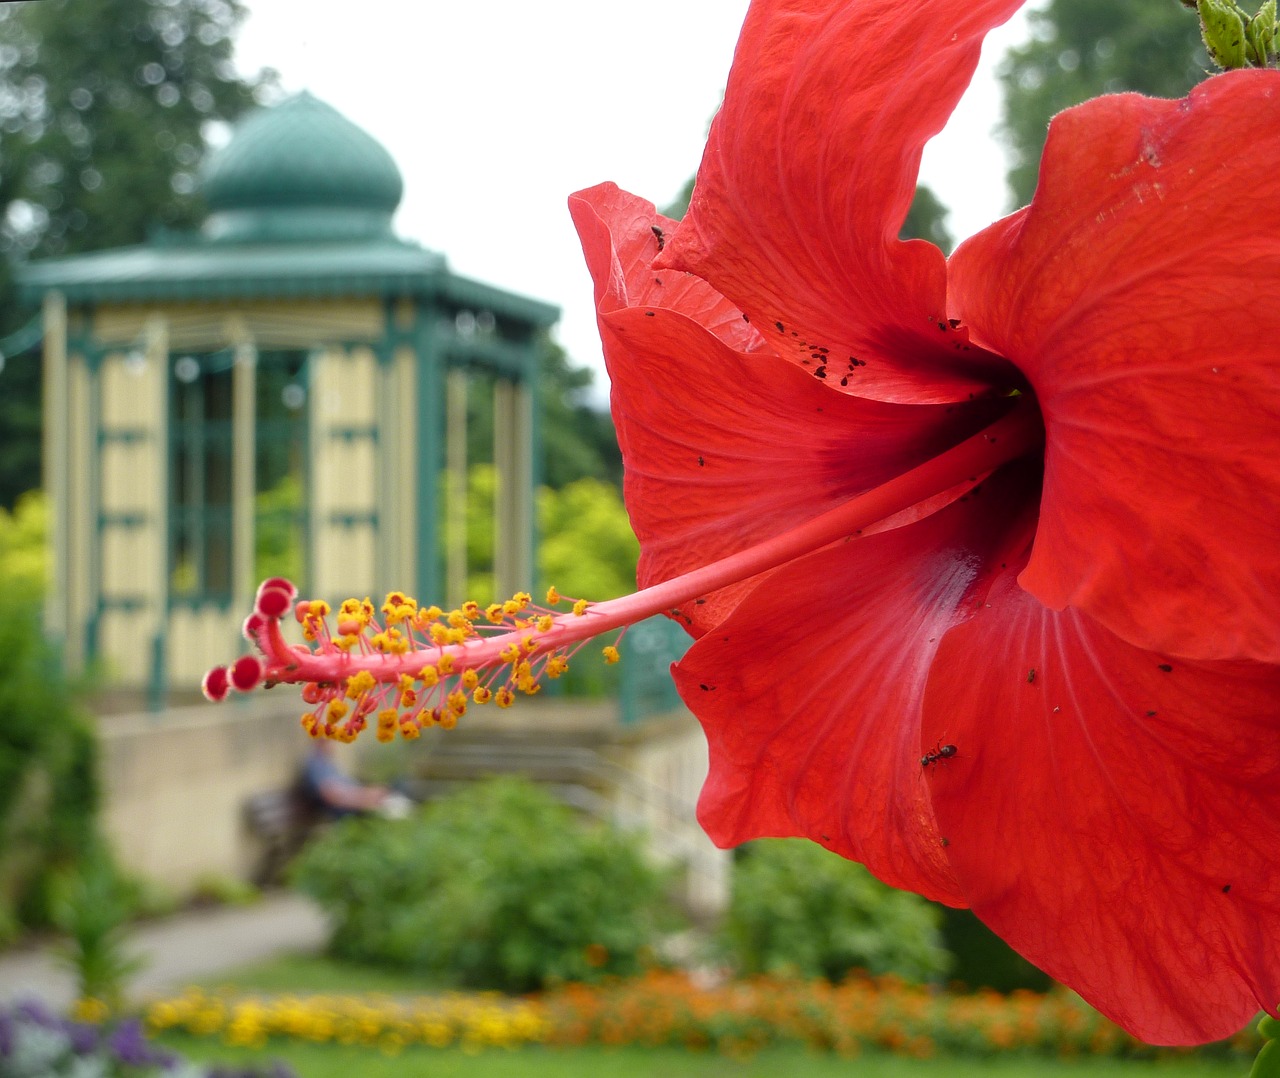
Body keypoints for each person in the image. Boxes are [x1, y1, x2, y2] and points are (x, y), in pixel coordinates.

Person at [301, 741, 411, 819]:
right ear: (319, 742)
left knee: (398, 786)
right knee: (397, 802)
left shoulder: (326, 762)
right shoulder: (316, 765)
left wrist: (369, 792)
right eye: (329, 740)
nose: (332, 744)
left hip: (358, 799)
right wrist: (366, 799)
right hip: (348, 810)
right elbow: (332, 796)